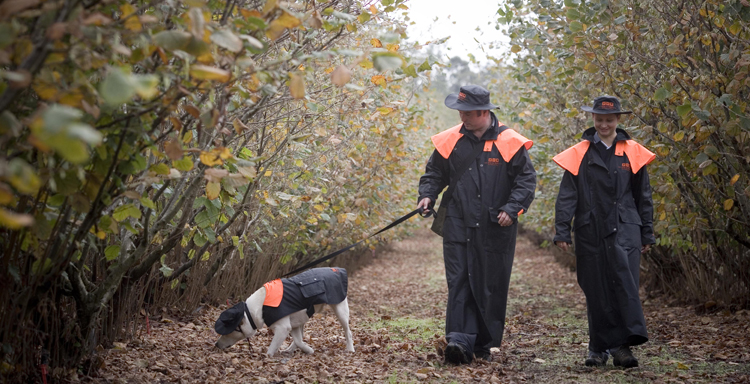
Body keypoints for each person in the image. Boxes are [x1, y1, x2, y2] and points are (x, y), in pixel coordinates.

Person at [417, 85, 536, 364]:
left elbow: (526, 181)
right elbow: (434, 173)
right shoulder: (450, 140)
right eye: (460, 112)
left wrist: (512, 208)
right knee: (459, 281)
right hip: (457, 223)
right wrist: (427, 195)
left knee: (488, 284)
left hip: (496, 226)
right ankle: (458, 340)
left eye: (467, 113)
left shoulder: (510, 141)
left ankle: (483, 343)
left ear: (484, 112)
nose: (462, 118)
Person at [552, 95, 656, 368]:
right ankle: (597, 348)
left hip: (626, 229)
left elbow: (642, 195)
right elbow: (567, 195)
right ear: (593, 119)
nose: (604, 124)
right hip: (590, 229)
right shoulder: (579, 153)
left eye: (609, 120)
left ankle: (623, 349)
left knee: (624, 286)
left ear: (618, 120)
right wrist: (562, 230)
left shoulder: (633, 151)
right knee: (595, 288)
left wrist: (647, 233)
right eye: (599, 119)